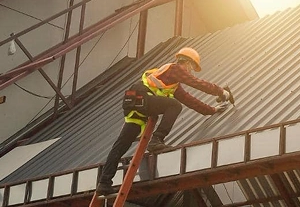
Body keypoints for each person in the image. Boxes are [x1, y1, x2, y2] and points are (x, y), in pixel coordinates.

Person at [96, 47, 232, 195]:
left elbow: (190, 100)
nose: (191, 70)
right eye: (192, 66)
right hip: (142, 98)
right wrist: (221, 92)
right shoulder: (175, 69)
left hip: (134, 102)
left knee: (120, 146)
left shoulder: (172, 83)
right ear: (186, 62)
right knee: (174, 105)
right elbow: (197, 83)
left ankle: (104, 183)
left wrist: (211, 110)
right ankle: (156, 140)